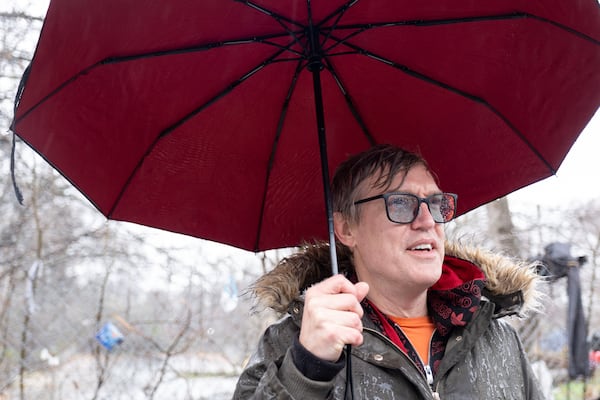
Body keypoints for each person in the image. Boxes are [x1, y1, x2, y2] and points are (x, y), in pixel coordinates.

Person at [233, 144, 544, 399]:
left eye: (436, 203)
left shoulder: (496, 339)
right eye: (400, 203)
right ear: (345, 228)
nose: (427, 220)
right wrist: (307, 369)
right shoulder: (294, 343)